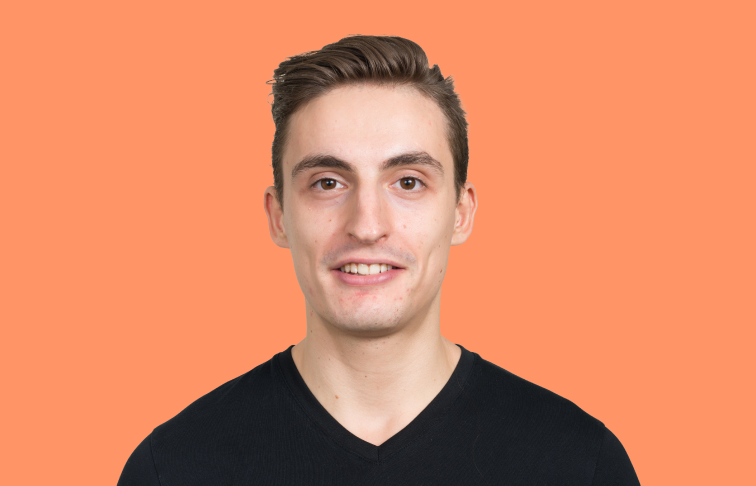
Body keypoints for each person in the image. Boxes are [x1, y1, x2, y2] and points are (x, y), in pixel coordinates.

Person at [118, 35, 640, 485]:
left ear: (461, 213)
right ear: (279, 217)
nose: (367, 225)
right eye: (328, 183)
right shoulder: (173, 467)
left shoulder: (580, 463)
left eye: (408, 182)